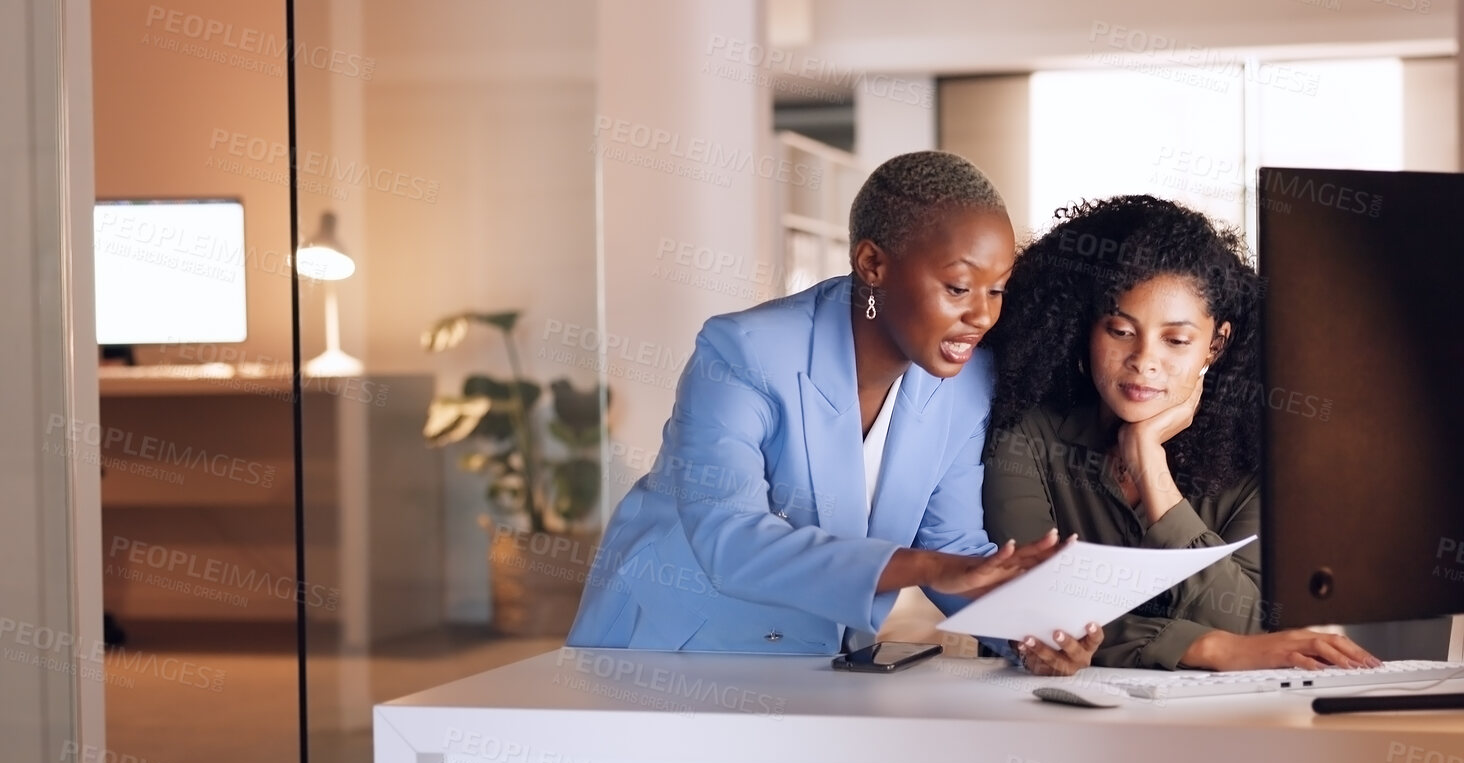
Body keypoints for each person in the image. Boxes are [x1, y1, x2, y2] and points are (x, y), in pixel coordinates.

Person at [568, 151, 1071, 654]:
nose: (982, 315)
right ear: (873, 264)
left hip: (812, 656)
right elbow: (732, 539)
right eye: (958, 287)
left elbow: (951, 545)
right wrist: (923, 566)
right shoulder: (742, 352)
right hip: (667, 642)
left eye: (997, 289)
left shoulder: (967, 382)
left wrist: (1031, 636)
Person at [982, 195, 1379, 674]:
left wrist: (1151, 466)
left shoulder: (1258, 460)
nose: (1144, 360)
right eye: (1120, 330)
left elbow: (1252, 622)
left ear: (1216, 344)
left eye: (1176, 340)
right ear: (1087, 331)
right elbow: (1029, 607)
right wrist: (1207, 648)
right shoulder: (1027, 434)